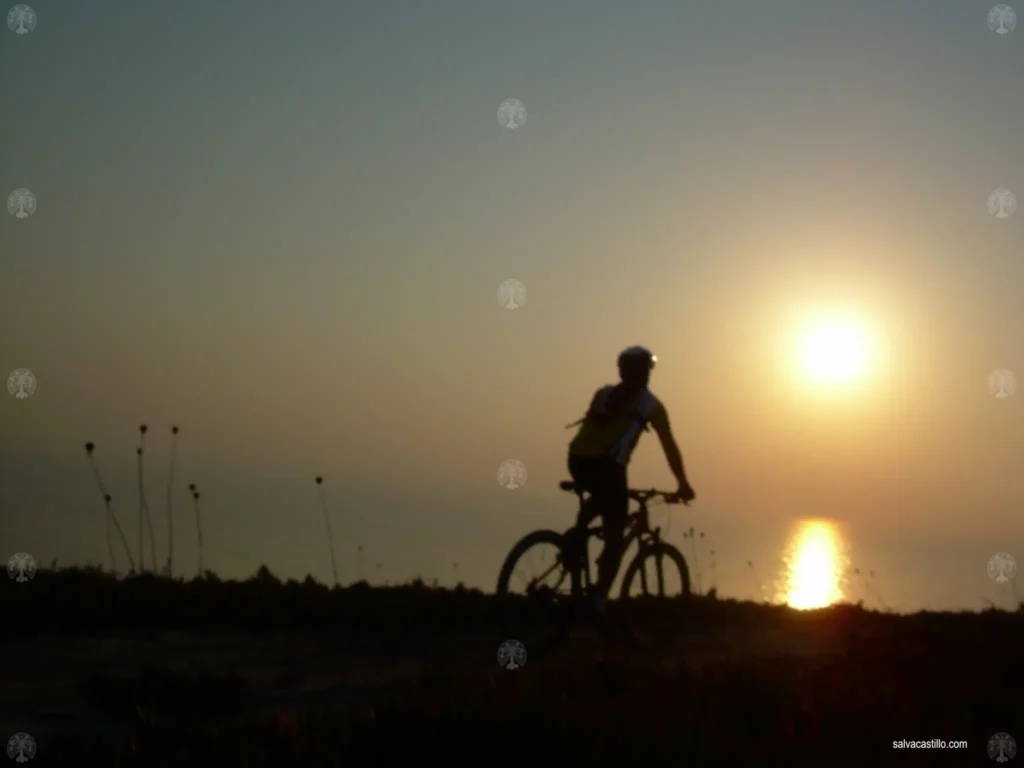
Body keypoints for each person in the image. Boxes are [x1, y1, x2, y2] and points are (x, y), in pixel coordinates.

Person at [564, 346, 696, 613]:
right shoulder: (651, 406)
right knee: (615, 536)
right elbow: (669, 446)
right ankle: (598, 601)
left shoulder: (602, 393)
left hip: (577, 460)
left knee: (603, 498)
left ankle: (575, 537)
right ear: (646, 373)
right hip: (608, 467)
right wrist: (683, 483)